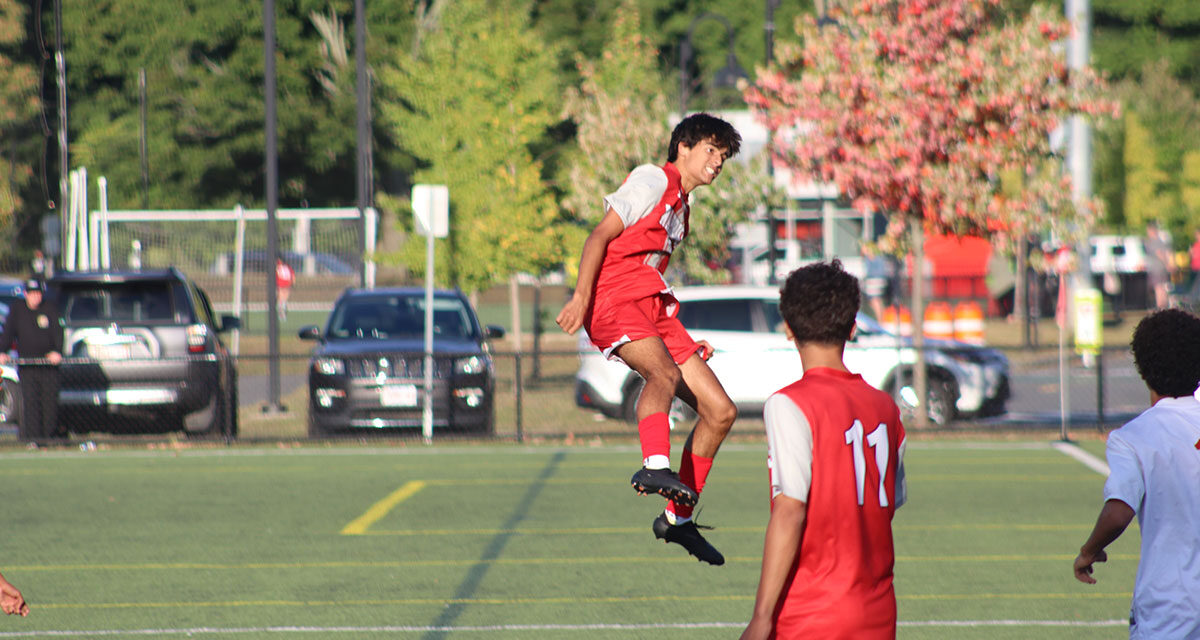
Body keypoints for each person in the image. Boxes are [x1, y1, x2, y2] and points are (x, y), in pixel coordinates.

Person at [555, 113, 741, 565]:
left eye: (723, 155)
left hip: (651, 309)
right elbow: (598, 236)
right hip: (614, 300)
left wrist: (686, 339)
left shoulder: (683, 208)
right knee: (663, 373)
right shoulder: (653, 179)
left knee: (720, 411)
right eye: (710, 150)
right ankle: (654, 465)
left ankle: (677, 521)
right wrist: (582, 298)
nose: (717, 162)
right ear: (683, 147)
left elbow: (650, 277)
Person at [741, 260, 907, 640]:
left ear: (788, 328)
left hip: (811, 613)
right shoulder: (885, 407)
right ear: (852, 327)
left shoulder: (789, 404)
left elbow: (790, 508)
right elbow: (886, 504)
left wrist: (762, 616)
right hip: (877, 612)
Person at [1072, 308, 1200, 639]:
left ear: (1142, 368)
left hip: (1171, 605)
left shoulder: (1134, 437)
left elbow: (1118, 512)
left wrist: (1088, 551)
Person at [0, 279, 64, 443]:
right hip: (27, 366)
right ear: (26, 294)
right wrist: (2, 351)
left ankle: (49, 439)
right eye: (32, 294)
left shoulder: (50, 308)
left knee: (49, 403)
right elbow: (8, 333)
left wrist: (57, 351)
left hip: (48, 367)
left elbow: (58, 333)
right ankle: (33, 440)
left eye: (38, 294)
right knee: (31, 402)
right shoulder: (17, 309)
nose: (35, 297)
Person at [1144, 220, 1173, 309]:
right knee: (1163, 287)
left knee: (1159, 288)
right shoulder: (1162, 241)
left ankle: (1161, 308)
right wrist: (1170, 264)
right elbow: (1169, 252)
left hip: (1156, 269)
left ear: (1151, 230)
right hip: (1162, 268)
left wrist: (1167, 263)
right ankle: (1164, 307)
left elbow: (1159, 253)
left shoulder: (1152, 242)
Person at [861, 244, 893, 320]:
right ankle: (882, 319)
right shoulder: (879, 256)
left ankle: (880, 321)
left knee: (874, 300)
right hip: (877, 280)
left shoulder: (876, 256)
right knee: (877, 301)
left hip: (874, 280)